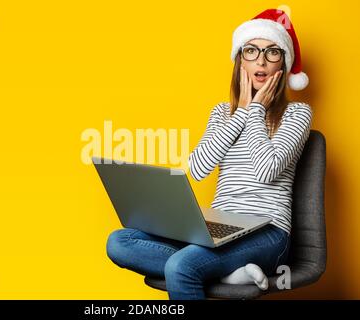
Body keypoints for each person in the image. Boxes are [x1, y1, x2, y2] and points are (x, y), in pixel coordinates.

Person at [106, 8, 313, 299]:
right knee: (119, 241)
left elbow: (266, 169)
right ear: (240, 60)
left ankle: (211, 267)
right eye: (251, 50)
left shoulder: (297, 114)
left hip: (268, 232)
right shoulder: (221, 113)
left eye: (272, 52)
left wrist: (254, 110)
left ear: (284, 63)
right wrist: (240, 112)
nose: (261, 60)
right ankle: (228, 273)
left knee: (182, 267)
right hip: (217, 227)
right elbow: (198, 167)